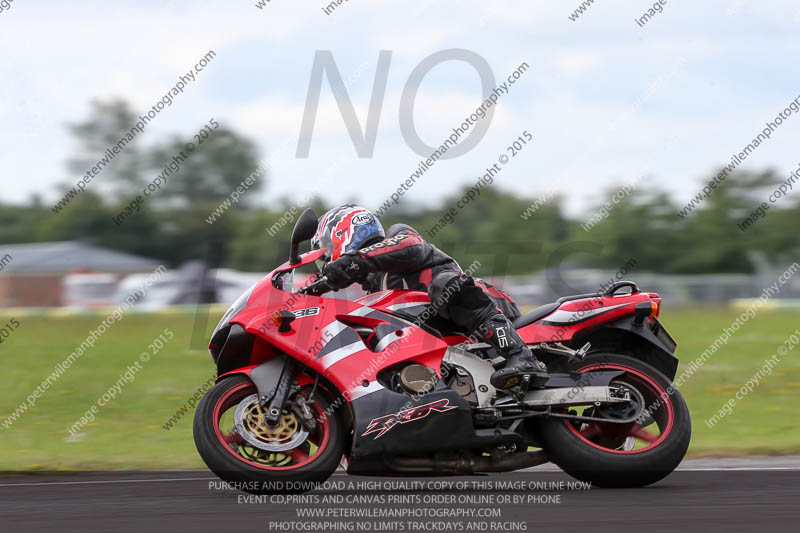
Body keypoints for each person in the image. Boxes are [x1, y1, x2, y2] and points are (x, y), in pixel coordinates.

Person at [310, 204, 547, 389]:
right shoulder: (374, 288)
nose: (327, 257)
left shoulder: (399, 236)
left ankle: (521, 356)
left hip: (490, 304)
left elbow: (409, 246)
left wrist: (354, 260)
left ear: (345, 232)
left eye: (327, 247)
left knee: (445, 285)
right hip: (457, 340)